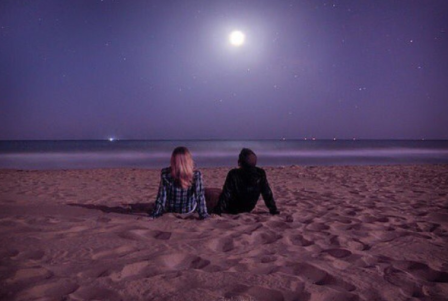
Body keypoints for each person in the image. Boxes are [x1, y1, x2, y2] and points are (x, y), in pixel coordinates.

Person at [215, 148, 279, 215]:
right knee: (217, 192)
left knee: (214, 193)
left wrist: (218, 211)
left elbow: (226, 194)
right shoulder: (260, 173)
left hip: (233, 208)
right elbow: (267, 193)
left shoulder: (233, 174)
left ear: (240, 161)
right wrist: (273, 209)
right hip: (248, 207)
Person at [150, 146, 209, 219]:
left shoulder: (165, 173)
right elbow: (199, 196)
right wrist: (204, 215)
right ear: (189, 160)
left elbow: (162, 197)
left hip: (171, 209)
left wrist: (155, 214)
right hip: (189, 210)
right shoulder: (196, 175)